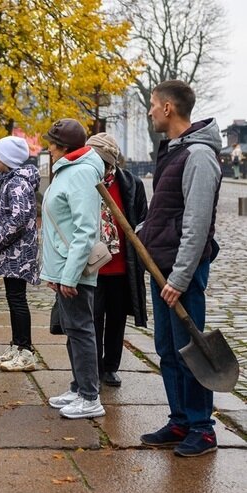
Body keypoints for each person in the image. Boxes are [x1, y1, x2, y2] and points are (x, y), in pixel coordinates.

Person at [138, 80, 222, 457]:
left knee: (191, 349)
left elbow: (197, 223)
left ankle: (203, 428)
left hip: (180, 273)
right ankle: (181, 420)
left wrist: (180, 277)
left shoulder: (199, 156)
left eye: (154, 105)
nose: (151, 111)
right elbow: (166, 212)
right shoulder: (175, 152)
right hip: (162, 268)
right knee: (168, 349)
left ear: (168, 108)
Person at [40, 118, 106, 419]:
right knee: (74, 331)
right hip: (65, 268)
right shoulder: (69, 170)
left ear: (62, 147)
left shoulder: (79, 174)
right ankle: (79, 387)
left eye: (51, 144)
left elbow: (85, 230)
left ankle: (91, 397)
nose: (48, 148)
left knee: (81, 330)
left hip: (74, 270)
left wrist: (69, 275)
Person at [85, 133, 148, 388]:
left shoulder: (131, 184)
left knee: (116, 318)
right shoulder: (83, 182)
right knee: (92, 318)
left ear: (109, 163)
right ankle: (93, 367)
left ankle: (110, 367)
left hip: (122, 267)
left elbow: (143, 220)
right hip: (92, 267)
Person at [0, 136, 41, 372]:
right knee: (13, 298)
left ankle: (26, 351)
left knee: (17, 300)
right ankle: (17, 345)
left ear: (7, 159)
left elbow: (18, 220)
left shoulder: (17, 184)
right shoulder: (10, 181)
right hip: (13, 252)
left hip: (18, 253)